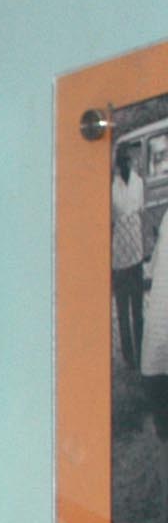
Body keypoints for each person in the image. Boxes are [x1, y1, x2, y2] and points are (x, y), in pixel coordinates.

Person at [116, 140, 149, 375]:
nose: (128, 163)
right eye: (124, 159)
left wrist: (146, 247)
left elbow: (142, 214)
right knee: (122, 311)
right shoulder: (111, 186)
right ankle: (129, 358)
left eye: (130, 159)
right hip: (118, 259)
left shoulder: (138, 183)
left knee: (138, 310)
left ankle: (142, 353)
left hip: (136, 255)